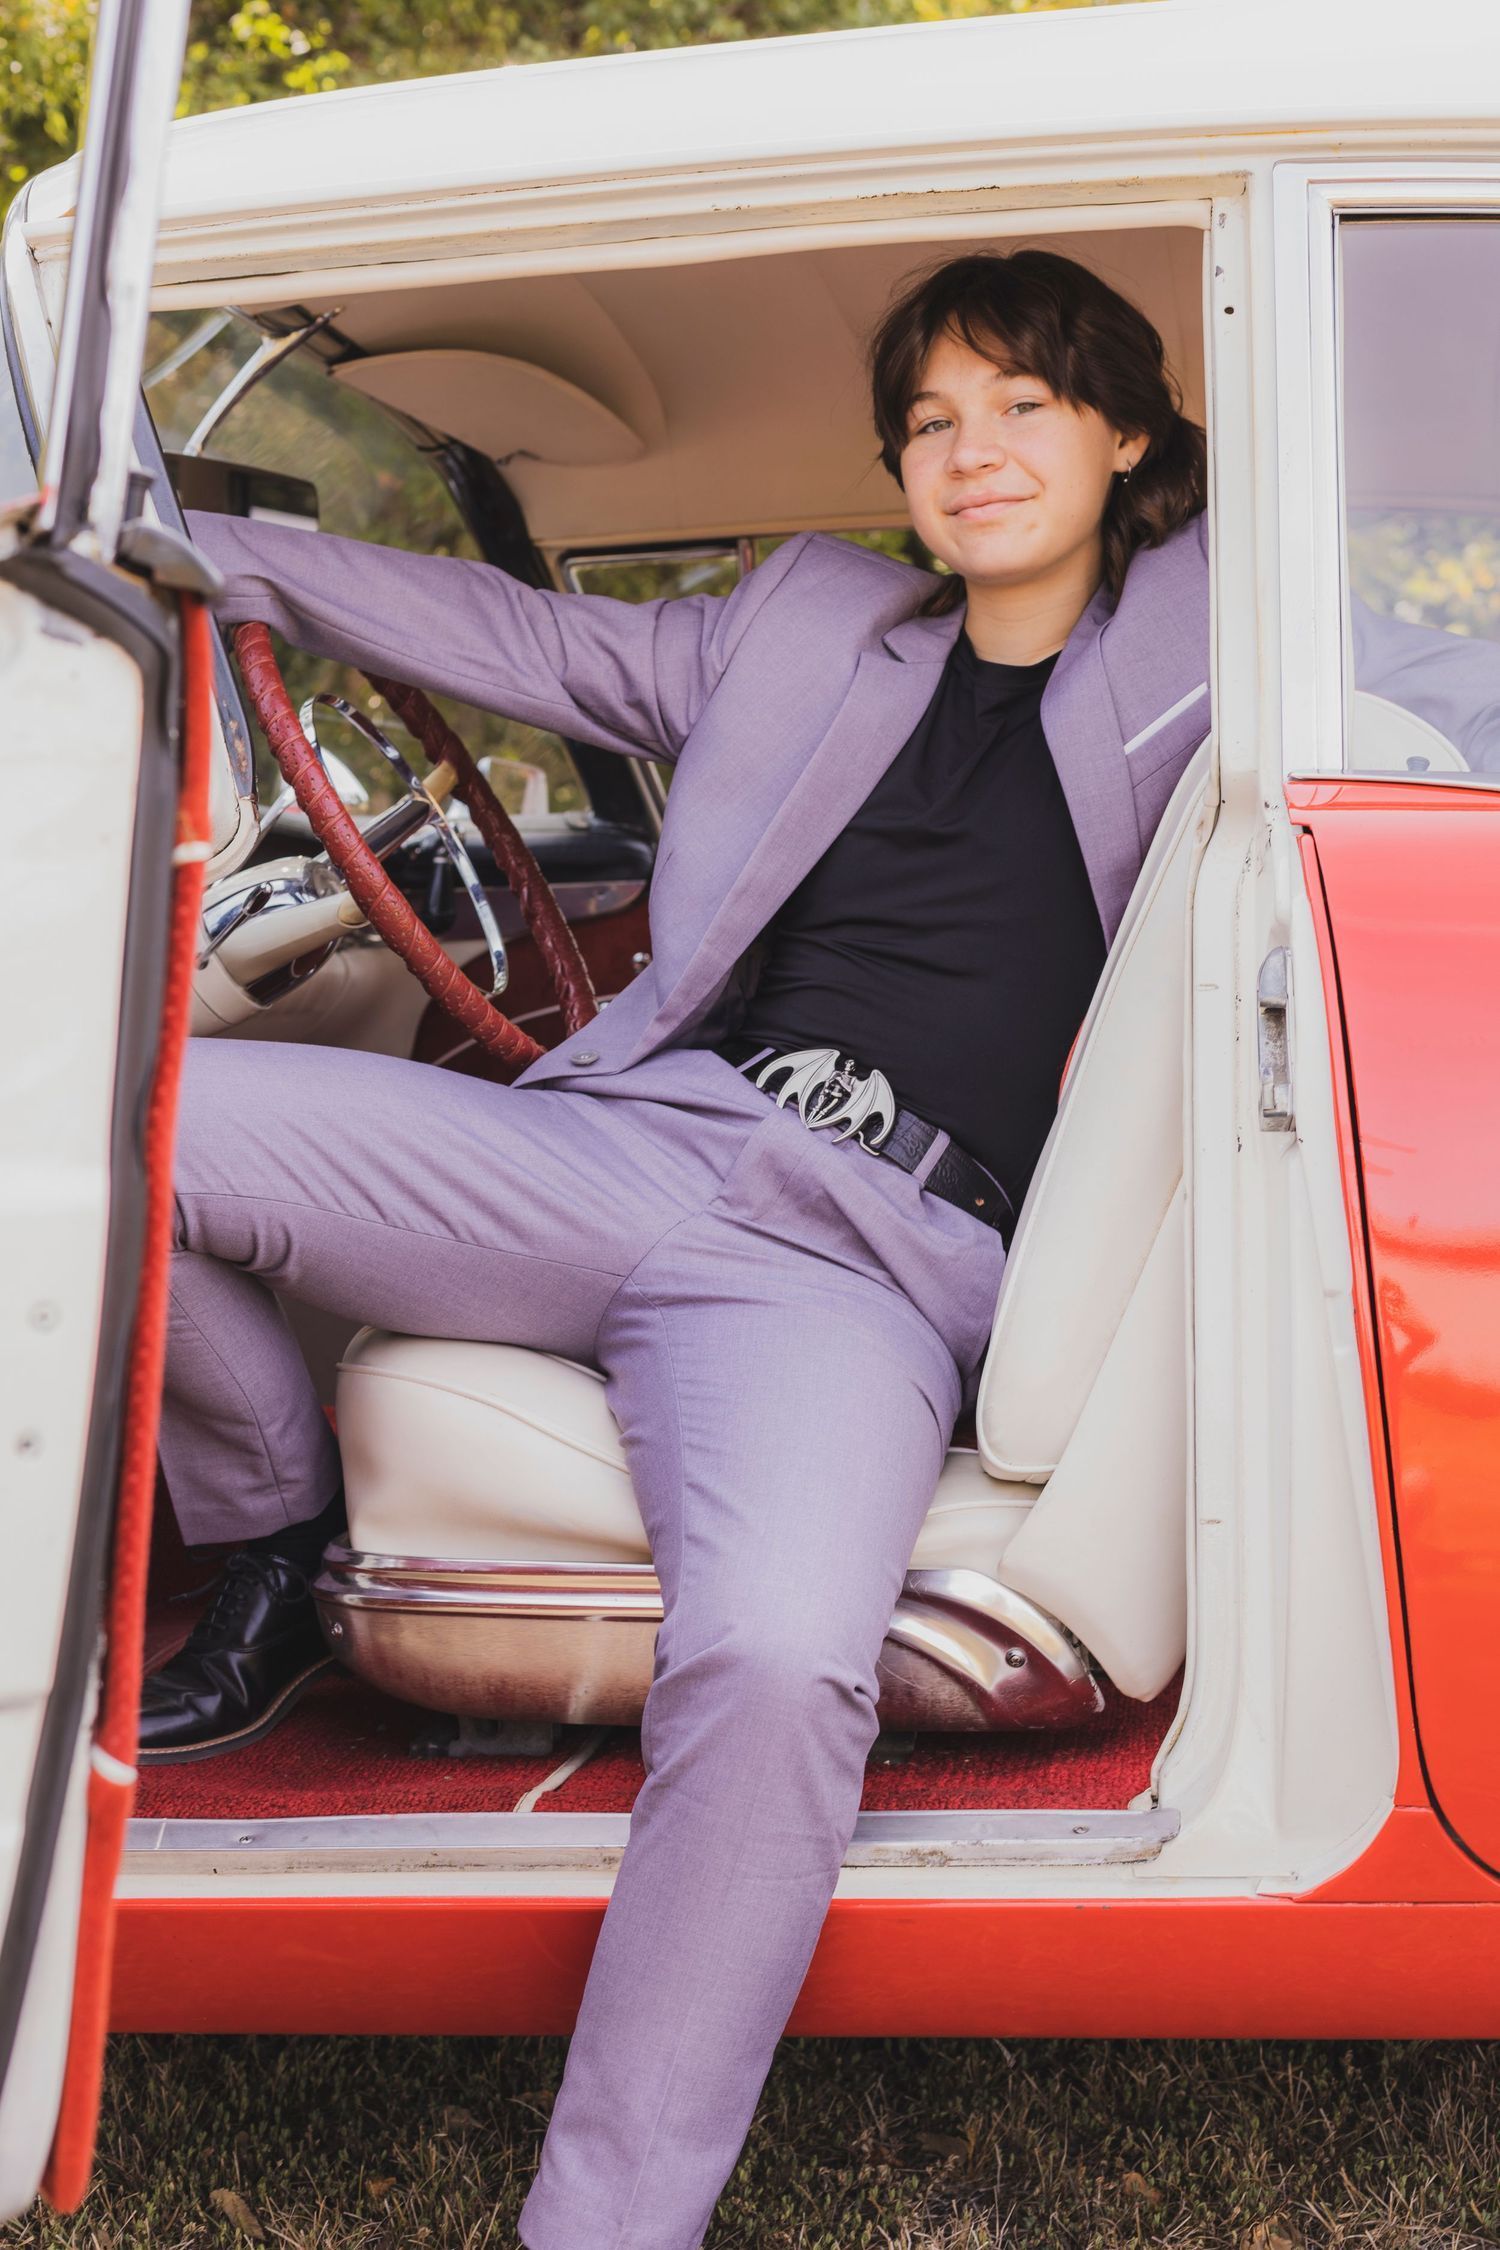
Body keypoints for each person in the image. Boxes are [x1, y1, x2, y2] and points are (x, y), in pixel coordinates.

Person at [144, 246, 1207, 2249]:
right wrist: (188, 543)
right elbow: (509, 638)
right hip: (637, 1151)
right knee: (124, 1120)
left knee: (785, 1655)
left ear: (1130, 433)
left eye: (1026, 405)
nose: (971, 453)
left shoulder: (1206, 627)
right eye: (930, 419)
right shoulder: (810, 619)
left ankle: (605, 2224)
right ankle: (272, 1528)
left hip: (863, 1264)